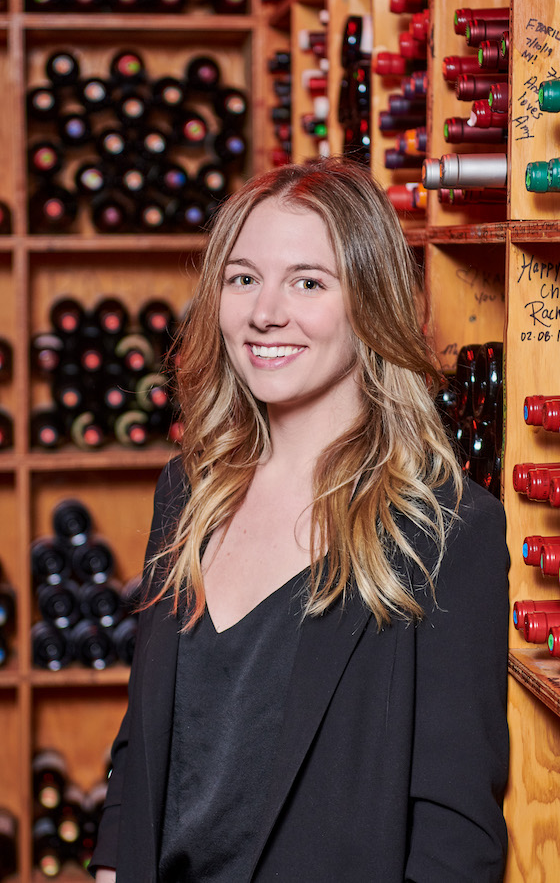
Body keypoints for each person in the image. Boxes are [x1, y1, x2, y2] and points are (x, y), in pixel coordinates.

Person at [90, 158, 509, 882]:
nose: (265, 311)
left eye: (308, 281)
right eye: (243, 277)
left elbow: (454, 837)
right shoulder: (190, 492)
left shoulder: (444, 530)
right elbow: (143, 749)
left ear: (370, 302)